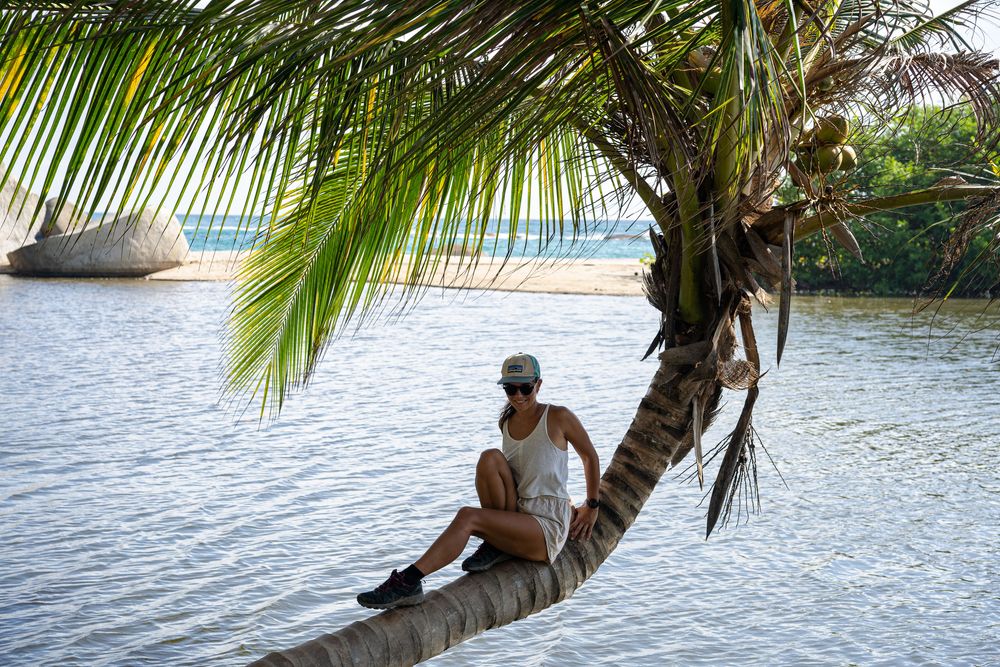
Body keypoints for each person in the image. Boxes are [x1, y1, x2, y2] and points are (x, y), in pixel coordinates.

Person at [357, 353, 602, 609]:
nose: (518, 395)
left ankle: (410, 580)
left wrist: (591, 506)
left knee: (468, 517)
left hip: (545, 526)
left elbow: (589, 457)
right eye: (510, 388)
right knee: (489, 459)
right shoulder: (507, 421)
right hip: (518, 512)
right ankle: (497, 545)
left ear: (538, 385)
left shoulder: (558, 416)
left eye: (525, 387)